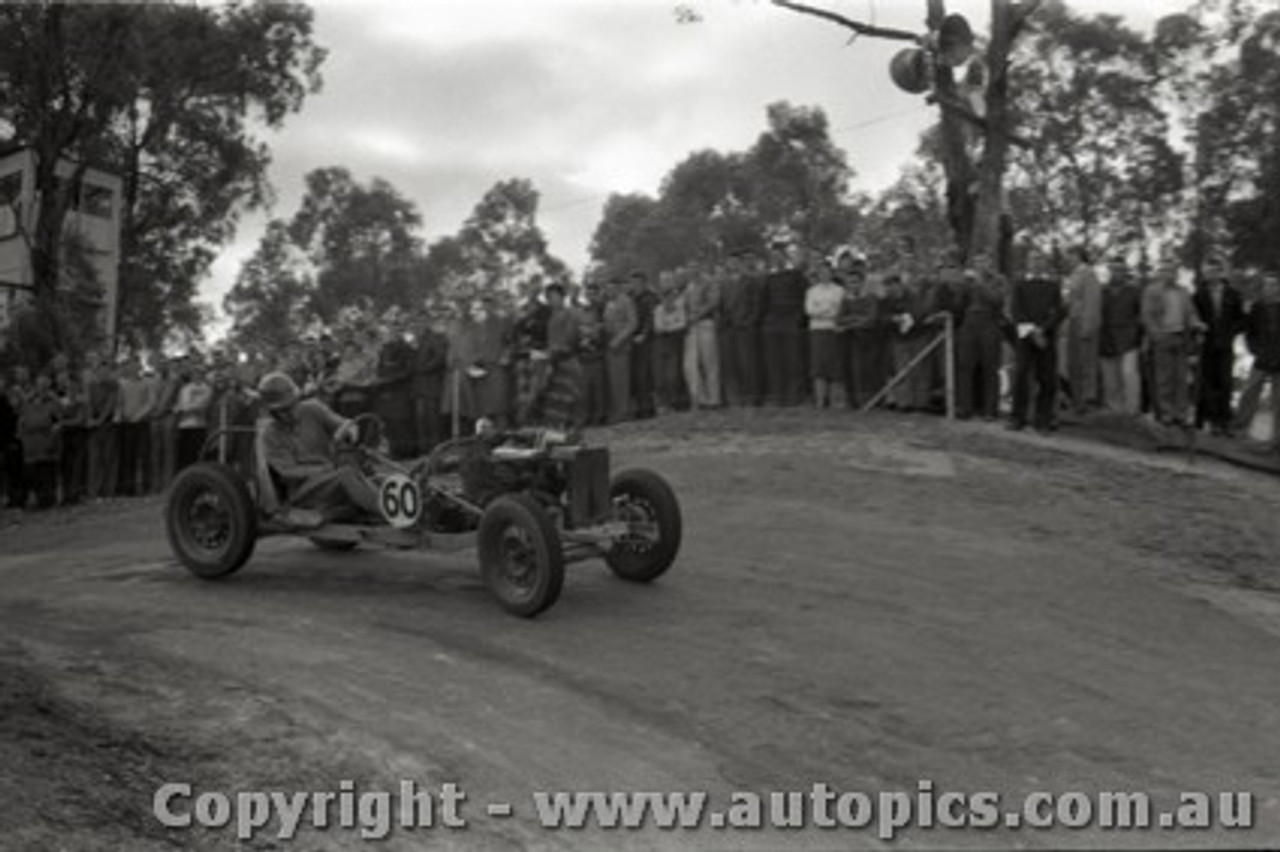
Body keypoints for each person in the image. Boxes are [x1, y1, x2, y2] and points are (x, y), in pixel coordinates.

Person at [256, 372, 381, 522]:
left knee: (377, 478)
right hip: (303, 489)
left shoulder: (313, 409)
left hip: (329, 477)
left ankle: (394, 508)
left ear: (297, 399)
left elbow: (341, 423)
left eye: (292, 405)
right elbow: (288, 472)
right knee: (346, 475)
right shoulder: (270, 435)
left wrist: (349, 430)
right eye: (283, 410)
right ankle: (386, 513)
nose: (290, 412)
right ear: (272, 412)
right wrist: (324, 469)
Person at [1141, 262, 1205, 426]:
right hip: (1163, 337)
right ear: (1161, 273)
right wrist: (1156, 335)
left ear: (1176, 274)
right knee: (1164, 378)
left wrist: (1197, 324)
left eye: (1172, 271)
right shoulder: (1152, 291)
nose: (1169, 274)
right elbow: (1147, 316)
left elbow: (1190, 313)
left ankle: (1180, 414)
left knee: (1181, 379)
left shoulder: (1183, 292)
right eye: (1165, 270)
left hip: (1180, 337)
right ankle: (1166, 414)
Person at [1008, 252, 1066, 432]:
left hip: (1046, 338)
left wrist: (1044, 330)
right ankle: (1018, 418)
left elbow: (1059, 311)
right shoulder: (1020, 285)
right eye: (1033, 260)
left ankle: (1043, 420)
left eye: (1040, 260)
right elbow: (1016, 311)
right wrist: (1033, 332)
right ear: (1028, 263)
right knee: (1021, 376)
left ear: (1045, 264)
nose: (1036, 263)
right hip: (1026, 337)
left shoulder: (1053, 286)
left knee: (1047, 379)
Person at [1193, 256, 1245, 435]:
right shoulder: (1199, 294)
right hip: (1206, 345)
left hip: (1225, 345)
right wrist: (1198, 329)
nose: (1209, 275)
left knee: (1225, 382)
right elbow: (1194, 318)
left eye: (1213, 271)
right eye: (1206, 272)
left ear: (1219, 272)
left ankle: (1224, 421)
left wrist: (1230, 333)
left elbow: (1241, 320)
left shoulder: (1233, 294)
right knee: (1208, 383)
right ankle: (1211, 421)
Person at [955, 253, 1007, 421]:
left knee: (990, 367)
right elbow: (959, 305)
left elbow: (997, 301)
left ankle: (990, 410)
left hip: (989, 322)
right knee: (965, 366)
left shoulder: (999, 280)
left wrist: (980, 284)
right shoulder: (969, 281)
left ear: (990, 263)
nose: (979, 265)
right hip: (969, 323)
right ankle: (965, 408)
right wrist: (962, 288)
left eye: (983, 262)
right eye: (976, 262)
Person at [1232, 272, 1280, 448]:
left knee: (1279, 400)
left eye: (1274, 285)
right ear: (1263, 288)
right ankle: (1240, 430)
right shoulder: (1257, 308)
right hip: (1261, 358)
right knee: (1249, 393)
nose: (1271, 288)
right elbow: (1249, 333)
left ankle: (1277, 439)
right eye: (1268, 285)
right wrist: (1255, 350)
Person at [760, 243, 809, 406]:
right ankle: (777, 397)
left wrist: (798, 319)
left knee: (793, 360)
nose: (776, 259)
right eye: (773, 257)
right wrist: (767, 320)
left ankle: (794, 397)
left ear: (784, 256)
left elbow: (804, 299)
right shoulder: (769, 278)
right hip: (773, 323)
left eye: (778, 255)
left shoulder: (796, 275)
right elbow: (764, 302)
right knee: (774, 361)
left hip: (791, 322)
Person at [1099, 256, 1144, 415]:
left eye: (1120, 270)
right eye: (1114, 269)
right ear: (1109, 271)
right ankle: (1114, 411)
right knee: (1110, 380)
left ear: (1125, 272)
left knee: (1129, 375)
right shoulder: (1101, 291)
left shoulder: (1134, 291)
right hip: (1105, 340)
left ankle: (1132, 411)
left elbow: (1142, 315)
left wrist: (1138, 334)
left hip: (1128, 341)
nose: (1117, 273)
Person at [537, 282, 584, 428]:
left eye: (554, 296)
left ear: (562, 297)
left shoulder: (570, 314)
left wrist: (553, 351)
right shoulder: (551, 317)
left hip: (567, 361)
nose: (551, 300)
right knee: (556, 401)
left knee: (570, 397)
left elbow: (570, 339)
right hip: (554, 362)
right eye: (548, 297)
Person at [1063, 247, 1103, 414]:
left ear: (1078, 256)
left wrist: (1087, 326)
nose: (1067, 259)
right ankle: (1077, 400)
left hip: (1083, 323)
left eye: (1070, 255)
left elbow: (1092, 302)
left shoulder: (1088, 274)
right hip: (1072, 322)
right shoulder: (1073, 275)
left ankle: (1087, 400)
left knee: (1085, 363)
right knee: (1073, 364)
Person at [804, 258, 847, 408]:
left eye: (827, 272)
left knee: (834, 366)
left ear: (832, 273)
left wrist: (821, 310)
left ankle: (836, 401)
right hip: (817, 330)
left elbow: (839, 311)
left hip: (833, 330)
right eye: (821, 272)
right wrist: (828, 308)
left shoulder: (840, 290)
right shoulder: (811, 291)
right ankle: (820, 401)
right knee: (818, 366)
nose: (824, 275)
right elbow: (809, 311)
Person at [683, 260, 722, 409]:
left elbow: (714, 302)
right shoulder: (689, 286)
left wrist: (698, 315)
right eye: (690, 268)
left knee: (710, 362)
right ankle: (701, 398)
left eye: (695, 267)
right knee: (693, 364)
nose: (692, 270)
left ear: (700, 268)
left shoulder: (709, 282)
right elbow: (686, 306)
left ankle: (714, 399)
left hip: (706, 324)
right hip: (692, 327)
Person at [19, 372, 60, 509]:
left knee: (46, 472)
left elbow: (58, 421)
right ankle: (36, 499)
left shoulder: (52, 400)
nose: (41, 386)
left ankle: (47, 500)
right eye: (39, 383)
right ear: (35, 385)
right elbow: (21, 421)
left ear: (48, 385)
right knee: (31, 473)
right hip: (30, 443)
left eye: (44, 383)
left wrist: (55, 431)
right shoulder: (28, 400)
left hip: (46, 441)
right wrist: (22, 435)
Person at [411, 309, 449, 453]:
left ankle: (436, 451)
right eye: (417, 321)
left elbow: (440, 357)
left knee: (433, 419)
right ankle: (424, 451)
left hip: (432, 384)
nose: (419, 324)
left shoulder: (435, 338)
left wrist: (423, 368)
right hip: (418, 386)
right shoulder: (416, 340)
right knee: (420, 419)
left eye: (422, 321)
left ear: (428, 322)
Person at [652, 271, 689, 413]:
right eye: (665, 297)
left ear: (674, 297)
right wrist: (672, 327)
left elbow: (683, 324)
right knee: (660, 376)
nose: (668, 300)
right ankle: (663, 404)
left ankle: (675, 403)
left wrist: (669, 327)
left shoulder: (679, 308)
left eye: (671, 297)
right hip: (660, 343)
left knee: (673, 375)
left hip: (674, 343)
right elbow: (658, 328)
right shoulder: (658, 309)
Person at [116, 357, 153, 496]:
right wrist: (122, 415)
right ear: (128, 367)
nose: (133, 367)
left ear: (140, 367)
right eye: (131, 365)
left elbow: (151, 402)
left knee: (144, 455)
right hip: (127, 424)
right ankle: (129, 487)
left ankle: (145, 485)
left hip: (142, 423)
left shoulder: (147, 383)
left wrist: (138, 416)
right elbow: (119, 403)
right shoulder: (122, 384)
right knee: (128, 456)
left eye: (136, 365)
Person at [603, 275, 637, 422]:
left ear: (617, 288)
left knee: (622, 380)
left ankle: (623, 412)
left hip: (621, 345)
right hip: (609, 345)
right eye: (607, 288)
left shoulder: (626, 301)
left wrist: (618, 340)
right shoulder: (608, 303)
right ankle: (617, 411)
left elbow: (632, 323)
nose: (608, 290)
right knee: (613, 380)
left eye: (611, 288)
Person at [85, 354, 120, 500]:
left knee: (109, 459)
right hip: (94, 427)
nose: (103, 373)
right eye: (101, 370)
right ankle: (94, 492)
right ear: (97, 372)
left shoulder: (114, 386)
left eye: (106, 371)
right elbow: (89, 404)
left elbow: (110, 406)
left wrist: (98, 420)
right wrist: (90, 419)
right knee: (94, 460)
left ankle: (109, 492)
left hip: (108, 424)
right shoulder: (91, 386)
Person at [628, 271, 658, 419]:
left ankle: (648, 407)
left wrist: (644, 335)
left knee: (645, 375)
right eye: (633, 282)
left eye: (638, 282)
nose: (635, 285)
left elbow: (651, 318)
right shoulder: (630, 297)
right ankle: (638, 407)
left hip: (647, 340)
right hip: (631, 340)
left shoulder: (651, 297)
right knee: (635, 376)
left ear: (644, 282)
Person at [174, 364, 213, 471]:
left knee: (197, 454)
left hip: (199, 426)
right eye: (194, 373)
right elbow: (181, 403)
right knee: (184, 455)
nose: (196, 375)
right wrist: (184, 408)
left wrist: (185, 409)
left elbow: (202, 405)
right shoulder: (185, 388)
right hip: (184, 426)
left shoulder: (207, 389)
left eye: (199, 373)